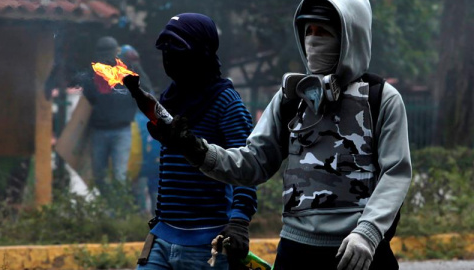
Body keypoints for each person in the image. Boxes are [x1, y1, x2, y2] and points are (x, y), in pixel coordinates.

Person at [145, 1, 412, 270]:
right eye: (309, 31)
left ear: (351, 35)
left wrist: (368, 232)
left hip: (357, 251)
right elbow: (253, 163)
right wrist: (196, 150)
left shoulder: (381, 99)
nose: (313, 41)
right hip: (295, 249)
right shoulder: (291, 98)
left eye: (324, 32)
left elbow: (396, 173)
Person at [125, 13, 258, 270]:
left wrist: (240, 221)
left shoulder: (227, 103)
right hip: (162, 238)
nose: (169, 56)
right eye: (165, 49)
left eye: (177, 48)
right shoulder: (170, 98)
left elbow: (248, 168)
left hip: (208, 244)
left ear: (203, 51)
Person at [81, 36, 138, 196]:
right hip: (101, 130)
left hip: (120, 130)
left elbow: (143, 90)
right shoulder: (93, 74)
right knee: (100, 175)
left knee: (118, 176)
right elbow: (88, 98)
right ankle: (110, 211)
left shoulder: (126, 70)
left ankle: (117, 212)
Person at [119, 45, 161, 215]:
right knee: (148, 174)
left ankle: (141, 211)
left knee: (139, 173)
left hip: (137, 131)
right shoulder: (142, 79)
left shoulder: (122, 79)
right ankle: (151, 211)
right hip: (147, 131)